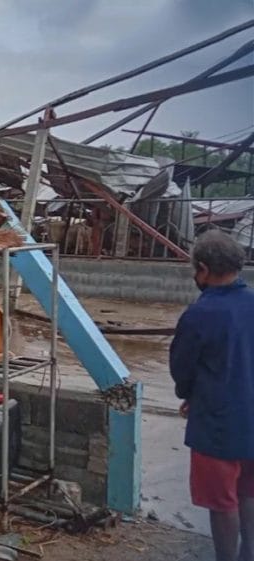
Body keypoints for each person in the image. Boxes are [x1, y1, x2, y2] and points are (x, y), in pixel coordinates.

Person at [170, 229, 254, 561]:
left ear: (203, 269)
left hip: (218, 424)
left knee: (222, 503)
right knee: (248, 492)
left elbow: (182, 368)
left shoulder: (199, 315)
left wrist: (188, 395)